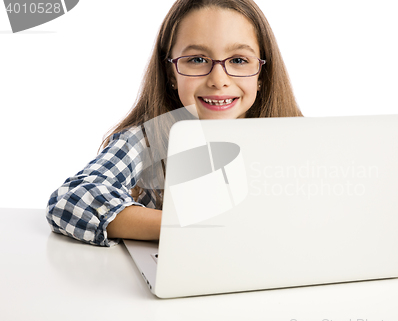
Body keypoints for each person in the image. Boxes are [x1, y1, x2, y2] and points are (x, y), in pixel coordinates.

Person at [46, 0, 303, 247]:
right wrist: (192, 230)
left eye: (238, 60)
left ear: (261, 74)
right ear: (171, 73)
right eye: (197, 59)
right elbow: (72, 199)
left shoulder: (297, 139)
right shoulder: (147, 140)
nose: (218, 80)